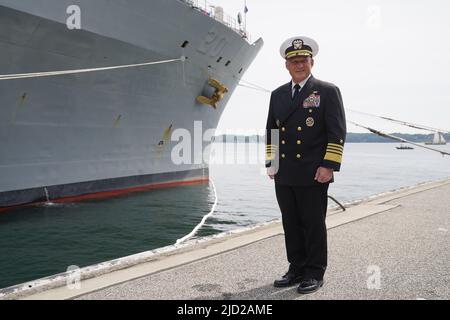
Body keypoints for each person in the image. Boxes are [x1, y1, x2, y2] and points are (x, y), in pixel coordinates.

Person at [265, 36, 346, 294]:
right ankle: (296, 268)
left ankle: (314, 272)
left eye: (303, 60)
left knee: (312, 223)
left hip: (313, 171)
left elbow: (337, 132)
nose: (299, 65)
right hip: (285, 171)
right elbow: (271, 130)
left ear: (312, 62)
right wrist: (272, 162)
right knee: (290, 221)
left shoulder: (327, 91)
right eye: (293, 61)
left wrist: (329, 165)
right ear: (286, 66)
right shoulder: (277, 94)